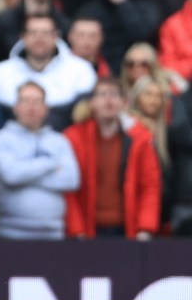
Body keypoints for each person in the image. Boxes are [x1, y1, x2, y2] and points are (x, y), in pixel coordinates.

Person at [64, 77, 162, 240]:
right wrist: (76, 231)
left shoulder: (140, 139)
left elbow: (150, 186)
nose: (108, 100)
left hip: (127, 230)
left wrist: (145, 228)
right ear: (92, 102)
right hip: (87, 231)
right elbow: (68, 189)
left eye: (114, 94)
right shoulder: (74, 138)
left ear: (124, 102)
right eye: (102, 94)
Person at [0, 81, 81, 240]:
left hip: (54, 235)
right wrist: (50, 163)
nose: (31, 107)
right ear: (15, 107)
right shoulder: (0, 139)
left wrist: (24, 172)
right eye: (25, 100)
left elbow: (72, 180)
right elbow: (11, 175)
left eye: (37, 101)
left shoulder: (60, 141)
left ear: (46, 109)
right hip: (9, 234)